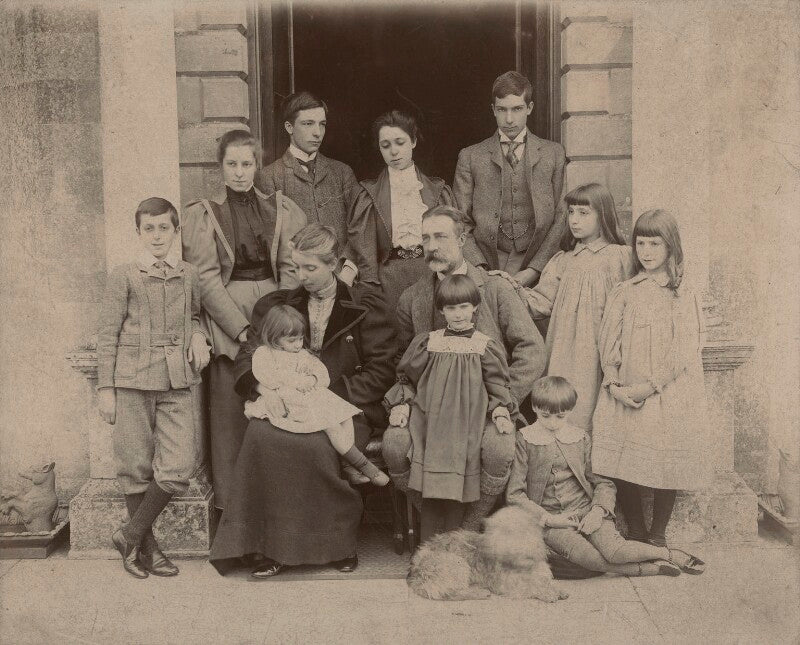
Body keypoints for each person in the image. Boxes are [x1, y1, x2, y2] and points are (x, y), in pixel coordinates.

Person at [209, 224, 397, 578]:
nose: (301, 276)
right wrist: (266, 391)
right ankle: (268, 547)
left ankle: (336, 545)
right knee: (262, 437)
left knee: (319, 446)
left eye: (310, 268)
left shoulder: (365, 306)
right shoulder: (278, 307)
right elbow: (248, 356)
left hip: (345, 405)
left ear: (333, 264)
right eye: (296, 267)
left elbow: (382, 369)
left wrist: (324, 397)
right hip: (284, 401)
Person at [383, 205, 547, 530]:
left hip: (487, 406)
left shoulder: (496, 289)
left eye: (440, 237)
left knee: (498, 448)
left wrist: (502, 402)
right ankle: (435, 527)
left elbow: (532, 350)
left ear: (461, 239)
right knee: (394, 444)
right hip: (429, 408)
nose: (431, 246)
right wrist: (404, 402)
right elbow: (402, 361)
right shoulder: (412, 298)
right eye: (426, 238)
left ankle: (467, 529)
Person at [181, 129, 306, 512]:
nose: (239, 172)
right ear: (220, 167)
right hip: (228, 314)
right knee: (231, 413)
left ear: (257, 165)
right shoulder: (205, 214)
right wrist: (239, 328)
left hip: (274, 309)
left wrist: (278, 319)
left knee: (279, 403)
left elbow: (290, 266)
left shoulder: (280, 208)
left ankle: (277, 504)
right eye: (232, 164)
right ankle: (235, 509)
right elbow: (205, 278)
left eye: (246, 164)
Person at [97, 197, 211, 578]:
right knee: (134, 465)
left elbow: (193, 316)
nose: (157, 236)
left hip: (176, 379)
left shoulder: (189, 273)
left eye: (164, 228)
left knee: (179, 466)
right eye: (149, 228)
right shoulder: (124, 275)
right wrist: (105, 388)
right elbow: (108, 334)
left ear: (176, 231)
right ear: (138, 232)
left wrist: (198, 335)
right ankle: (146, 549)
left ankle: (128, 535)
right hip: (132, 379)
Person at [592, 210, 710, 547]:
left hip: (666, 391)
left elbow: (685, 347)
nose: (646, 252)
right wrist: (614, 383)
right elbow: (608, 341)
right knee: (623, 459)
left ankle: (658, 534)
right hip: (627, 391)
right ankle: (636, 531)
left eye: (654, 244)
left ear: (671, 246)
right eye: (640, 243)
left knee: (666, 461)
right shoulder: (625, 291)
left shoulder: (681, 294)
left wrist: (652, 385)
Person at [507, 376, 705, 577]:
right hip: (553, 520)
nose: (552, 423)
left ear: (570, 411)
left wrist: (598, 510)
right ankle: (651, 569)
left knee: (615, 551)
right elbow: (515, 495)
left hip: (586, 510)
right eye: (545, 416)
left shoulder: (579, 438)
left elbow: (603, 482)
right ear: (534, 407)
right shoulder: (524, 439)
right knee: (589, 559)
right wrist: (549, 519)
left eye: (560, 416)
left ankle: (668, 554)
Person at [385, 274, 516, 541]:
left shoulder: (484, 346)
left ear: (475, 307)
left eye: (464, 306)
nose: (458, 314)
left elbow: (496, 385)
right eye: (451, 308)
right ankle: (427, 549)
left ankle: (453, 549)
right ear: (441, 310)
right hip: (430, 423)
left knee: (457, 489)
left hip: (466, 425)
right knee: (431, 488)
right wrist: (401, 405)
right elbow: (407, 379)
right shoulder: (428, 342)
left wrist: (500, 411)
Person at [515, 183, 633, 431]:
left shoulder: (620, 257)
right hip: (565, 349)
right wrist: (509, 289)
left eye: (583, 213)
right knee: (566, 407)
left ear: (603, 215)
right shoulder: (563, 259)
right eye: (571, 212)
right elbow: (540, 302)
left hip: (604, 348)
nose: (574, 220)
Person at [350, 110, 484, 310]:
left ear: (413, 142)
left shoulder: (439, 191)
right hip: (389, 281)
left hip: (432, 272)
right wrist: (371, 291)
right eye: (385, 145)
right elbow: (364, 249)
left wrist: (480, 269)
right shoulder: (368, 195)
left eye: (400, 142)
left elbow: (458, 235)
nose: (393, 151)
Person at [244, 304, 390, 486]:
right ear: (274, 337)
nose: (298, 345)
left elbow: (322, 373)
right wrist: (298, 381)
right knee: (331, 425)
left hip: (310, 397)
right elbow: (266, 376)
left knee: (345, 416)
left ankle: (347, 464)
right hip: (289, 401)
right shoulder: (265, 353)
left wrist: (313, 378)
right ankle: (364, 465)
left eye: (300, 339)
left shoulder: (302, 354)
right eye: (292, 340)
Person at [453, 71, 566, 287]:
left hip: (539, 265)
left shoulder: (553, 154)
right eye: (502, 109)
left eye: (517, 109)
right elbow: (460, 221)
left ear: (529, 108)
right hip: (487, 264)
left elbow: (561, 217)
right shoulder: (470, 156)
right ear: (493, 109)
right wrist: (480, 269)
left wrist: (534, 270)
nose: (509, 119)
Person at [256, 91, 361, 285]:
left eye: (322, 124)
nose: (317, 132)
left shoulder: (342, 172)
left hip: (344, 281)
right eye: (308, 124)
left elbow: (360, 227)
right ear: (289, 127)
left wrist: (348, 271)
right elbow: (271, 243)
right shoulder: (269, 177)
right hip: (298, 284)